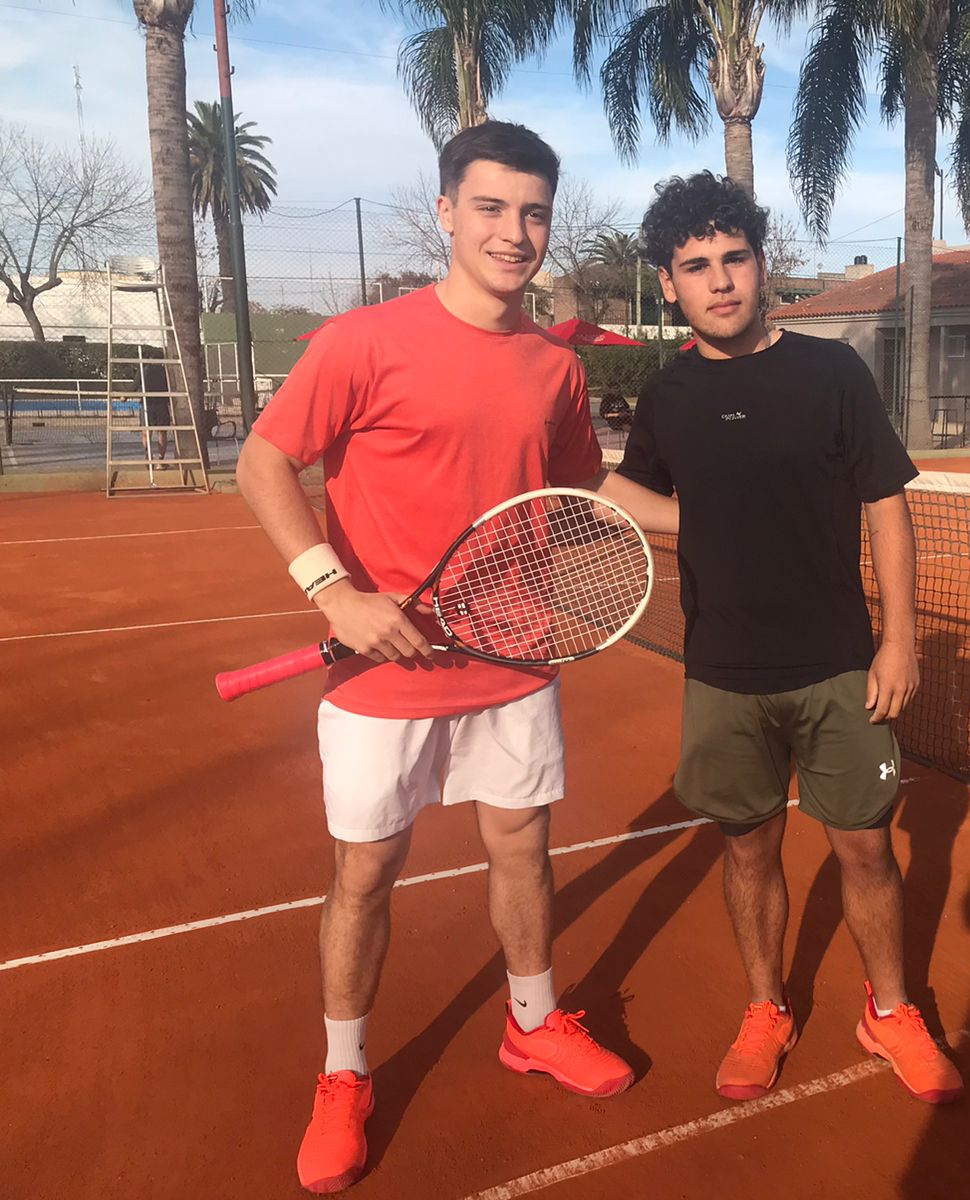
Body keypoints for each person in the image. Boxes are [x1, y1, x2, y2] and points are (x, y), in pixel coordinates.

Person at [235, 121, 678, 1195]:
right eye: (490, 208)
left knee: (522, 850)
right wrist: (333, 591)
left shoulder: (555, 368)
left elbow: (583, 488)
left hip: (515, 656)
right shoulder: (361, 342)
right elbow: (264, 460)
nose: (513, 232)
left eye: (533, 213)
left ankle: (532, 1021)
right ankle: (345, 1072)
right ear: (446, 213)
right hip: (380, 673)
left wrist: (707, 523)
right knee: (366, 872)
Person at [617, 171, 964, 1108]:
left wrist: (900, 640)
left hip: (840, 664)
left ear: (762, 265)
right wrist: (699, 521)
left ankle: (889, 1011)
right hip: (723, 673)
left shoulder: (832, 374)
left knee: (866, 851)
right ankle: (766, 1008)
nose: (720, 280)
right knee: (747, 851)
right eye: (697, 266)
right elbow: (624, 491)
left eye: (735, 258)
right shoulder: (668, 396)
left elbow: (886, 507)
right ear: (669, 284)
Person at [139, 348, 171, 463]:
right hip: (160, 404)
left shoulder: (145, 370)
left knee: (147, 432)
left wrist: (125, 396)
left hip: (148, 404)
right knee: (161, 432)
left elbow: (135, 384)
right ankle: (160, 460)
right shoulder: (165, 371)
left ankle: (149, 454)